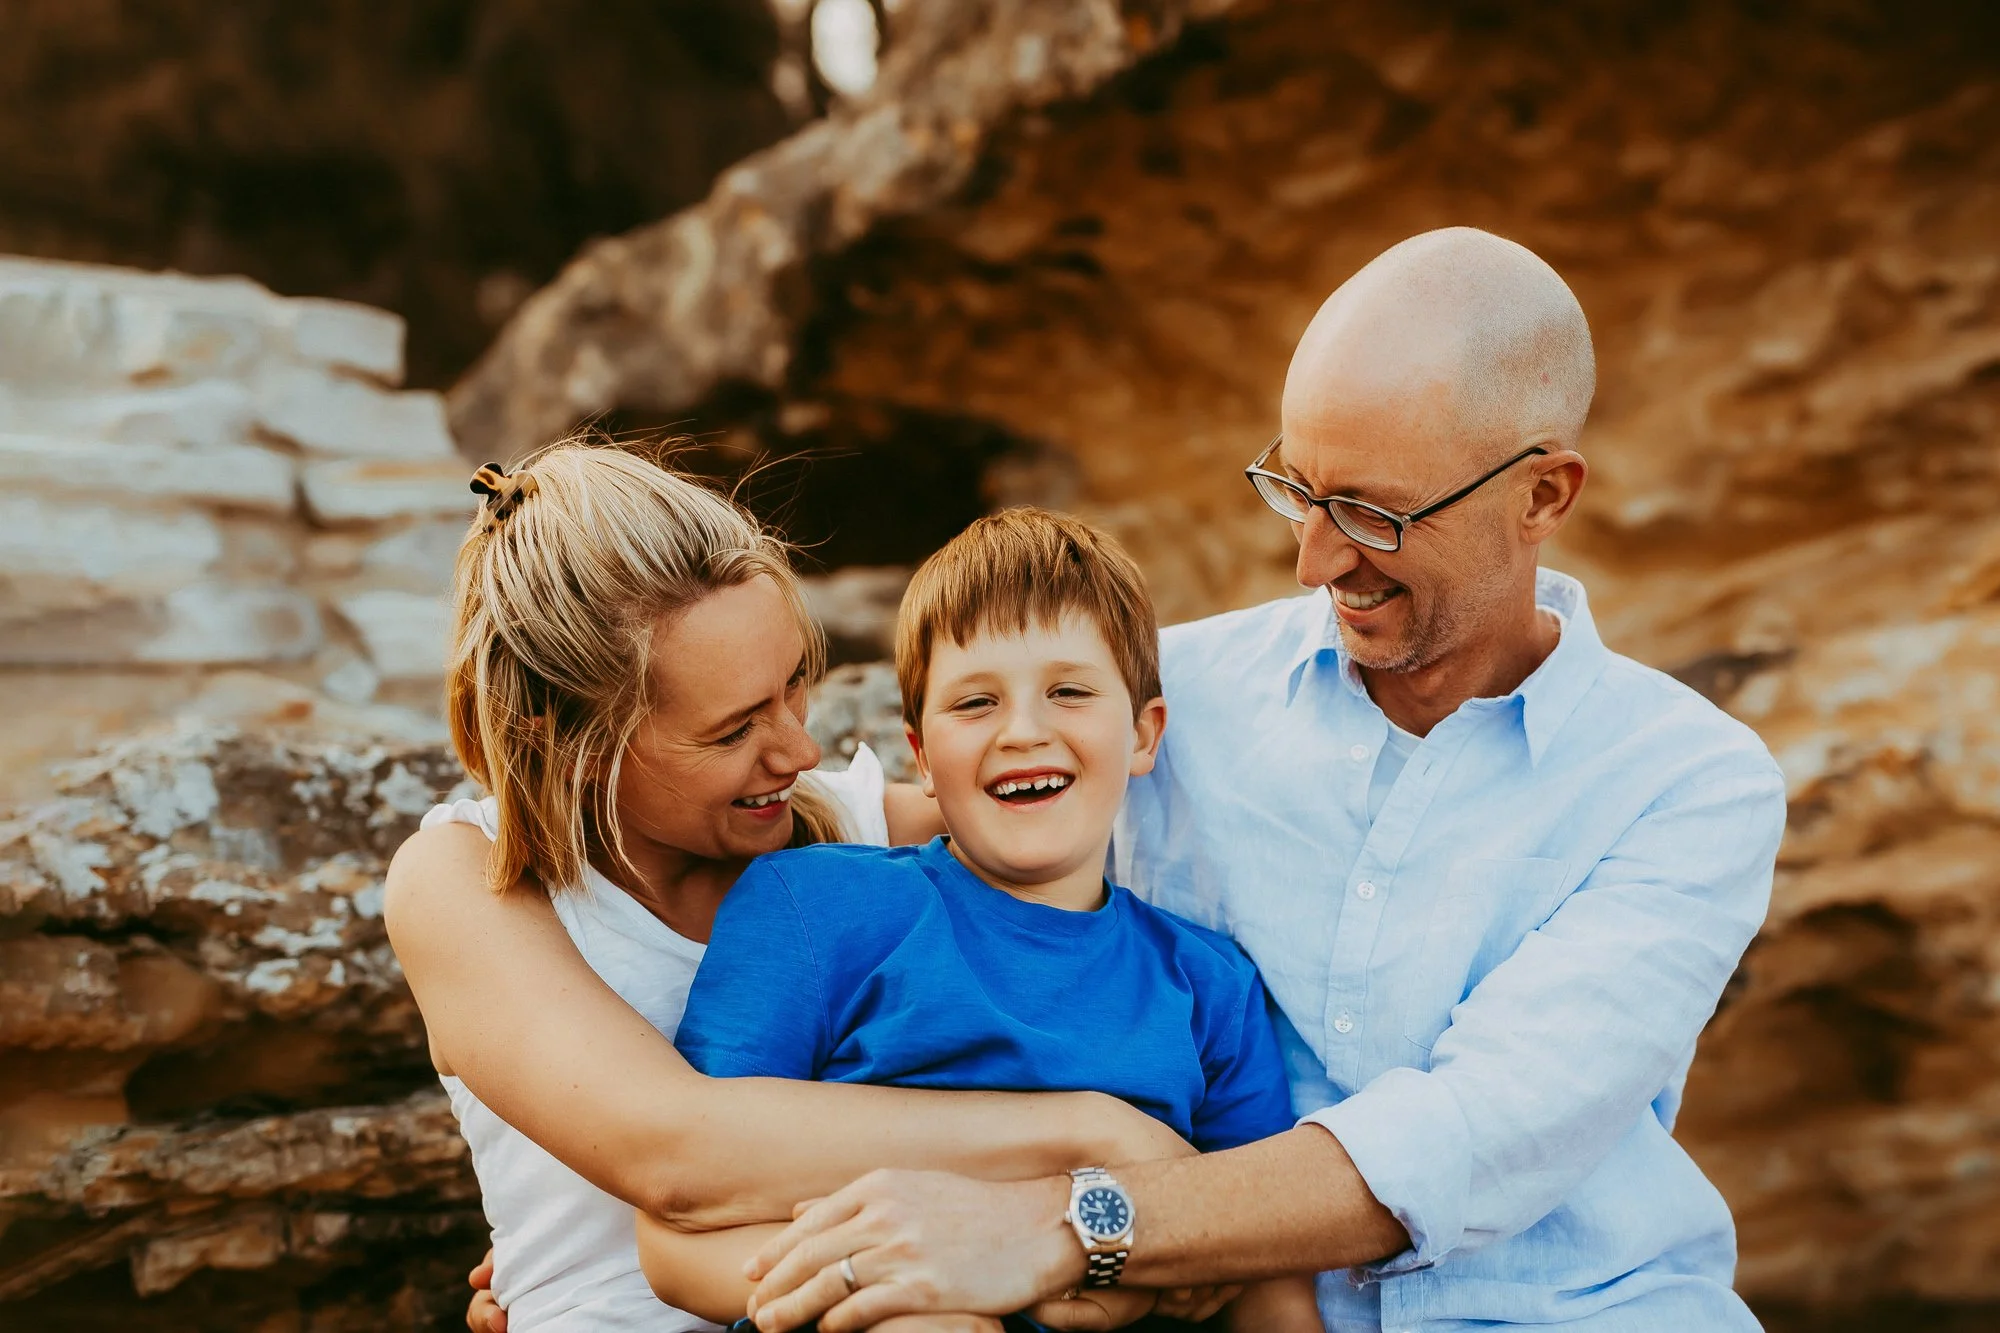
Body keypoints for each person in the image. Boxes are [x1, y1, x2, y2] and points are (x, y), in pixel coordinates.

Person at [729, 227, 1791, 1333]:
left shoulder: (1688, 783)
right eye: (1296, 490)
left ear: (1541, 494)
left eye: (1375, 514)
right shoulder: (1157, 698)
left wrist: (1062, 1227)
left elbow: (1471, 1133)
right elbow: (905, 823)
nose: (1315, 561)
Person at [384, 441, 1196, 1333]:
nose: (799, 752)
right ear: (564, 736)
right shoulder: (465, 879)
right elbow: (675, 1154)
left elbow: (1087, 798)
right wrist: (1091, 1137)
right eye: (733, 731)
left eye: (793, 687)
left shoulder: (869, 838)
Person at [639, 509, 1322, 1331]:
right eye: (975, 702)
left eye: (1068, 691)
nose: (1025, 730)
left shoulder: (1210, 985)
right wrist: (912, 1285)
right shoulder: (814, 909)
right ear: (920, 755)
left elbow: (1268, 1283)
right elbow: (686, 1227)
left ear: (1144, 733)